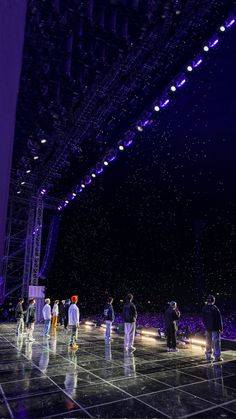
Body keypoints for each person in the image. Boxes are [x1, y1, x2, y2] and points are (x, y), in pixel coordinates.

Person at [202, 295, 223, 362]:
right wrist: (221, 328)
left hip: (208, 328)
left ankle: (208, 355)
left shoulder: (204, 308)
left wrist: (206, 326)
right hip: (215, 328)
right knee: (216, 342)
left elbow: (203, 319)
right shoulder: (215, 308)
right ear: (213, 300)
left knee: (208, 341)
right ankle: (217, 357)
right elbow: (219, 319)